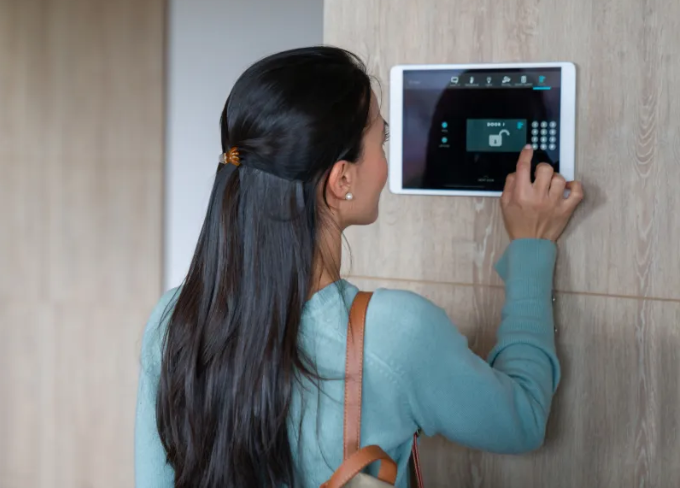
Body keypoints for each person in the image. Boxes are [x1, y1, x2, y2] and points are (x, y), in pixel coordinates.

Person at [134, 46, 584, 488]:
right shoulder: (395, 332)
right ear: (342, 178)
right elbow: (522, 420)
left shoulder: (175, 320)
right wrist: (530, 247)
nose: (388, 163)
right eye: (381, 140)